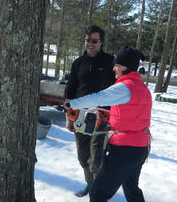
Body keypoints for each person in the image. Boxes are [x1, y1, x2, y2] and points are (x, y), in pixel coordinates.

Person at [64, 46, 152, 202]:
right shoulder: (142, 88)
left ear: (126, 66)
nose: (114, 69)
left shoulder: (125, 87)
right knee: (132, 189)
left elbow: (99, 97)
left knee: (97, 193)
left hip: (124, 150)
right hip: (140, 148)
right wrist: (109, 115)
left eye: (117, 65)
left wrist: (73, 104)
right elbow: (134, 116)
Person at [65, 25, 116, 197]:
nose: (90, 44)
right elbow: (70, 90)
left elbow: (118, 89)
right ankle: (90, 184)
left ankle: (98, 191)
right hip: (80, 115)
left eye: (94, 41)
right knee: (82, 155)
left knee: (96, 157)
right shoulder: (78, 63)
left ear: (101, 42)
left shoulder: (110, 62)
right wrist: (69, 117)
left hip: (102, 116)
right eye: (88, 40)